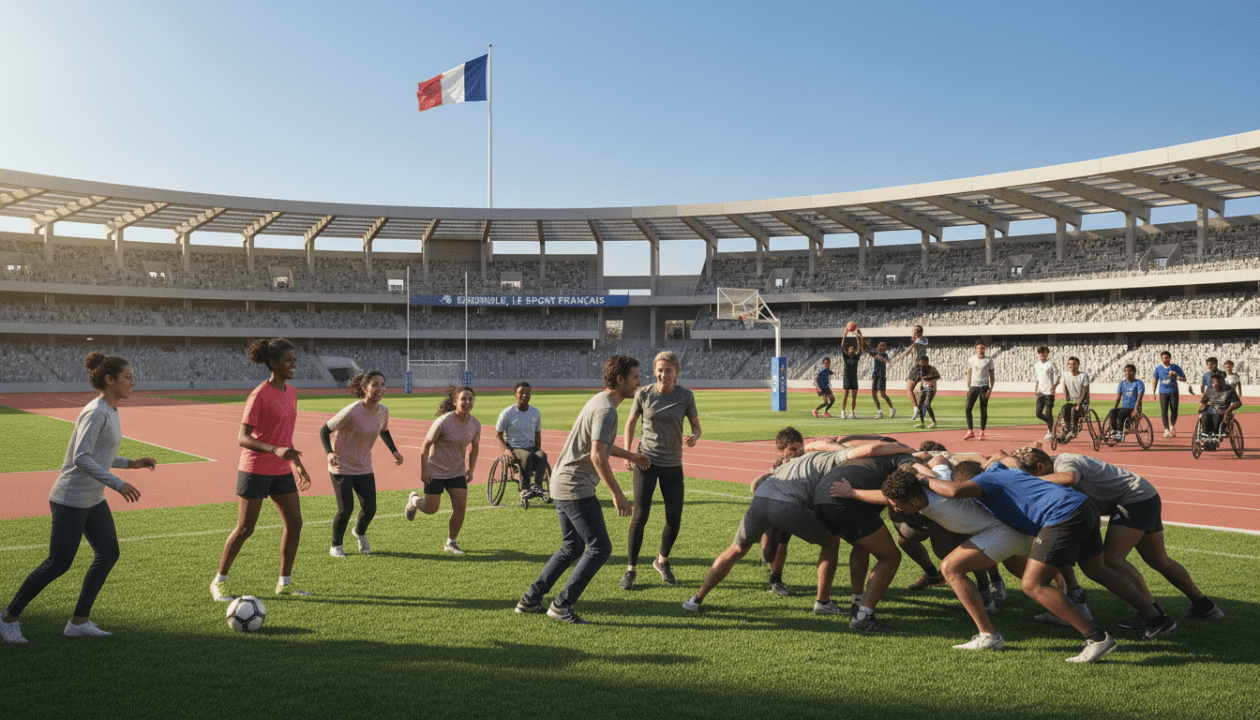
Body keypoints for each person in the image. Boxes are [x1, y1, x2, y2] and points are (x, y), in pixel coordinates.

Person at [931, 460, 1177, 663]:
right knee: (1096, 568)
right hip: (1083, 506)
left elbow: (953, 492)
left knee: (1032, 584)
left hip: (1061, 516)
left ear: (968, 481)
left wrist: (924, 478)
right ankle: (1157, 618)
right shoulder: (1001, 471)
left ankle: (1097, 639)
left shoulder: (984, 481)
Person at [1, 353, 155, 643]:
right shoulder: (96, 411)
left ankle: (79, 622)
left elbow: (99, 454)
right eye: (128, 377)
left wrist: (130, 463)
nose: (133, 382)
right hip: (70, 498)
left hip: (92, 499)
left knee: (108, 553)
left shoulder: (111, 410)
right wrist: (118, 483)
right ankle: (8, 618)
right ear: (110, 380)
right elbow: (81, 457)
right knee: (59, 562)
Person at [683, 439, 916, 627]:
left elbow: (759, 482)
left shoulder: (794, 461)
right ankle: (822, 601)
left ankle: (696, 599)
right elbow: (872, 449)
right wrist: (904, 449)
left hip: (761, 498)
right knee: (831, 541)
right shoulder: (832, 458)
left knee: (737, 549)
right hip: (785, 504)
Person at [1012, 446, 1224, 625]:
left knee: (1112, 560)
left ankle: (1152, 613)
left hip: (1134, 500)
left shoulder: (1066, 462)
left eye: (1033, 476)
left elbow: (1070, 478)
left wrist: (1029, 485)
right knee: (1158, 560)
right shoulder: (1054, 463)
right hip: (1143, 496)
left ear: (1041, 467)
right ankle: (1204, 606)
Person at [832, 466, 1033, 651]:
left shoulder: (940, 497)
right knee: (1033, 581)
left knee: (951, 568)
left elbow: (954, 490)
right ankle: (1062, 600)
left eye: (898, 507)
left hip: (1002, 530)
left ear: (912, 503)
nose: (898, 511)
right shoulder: (917, 493)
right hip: (1002, 530)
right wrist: (852, 493)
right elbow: (888, 497)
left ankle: (989, 636)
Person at [515, 355, 649, 624]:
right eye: (635, 377)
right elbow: (598, 455)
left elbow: (599, 446)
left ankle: (530, 600)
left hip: (562, 483)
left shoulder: (601, 401)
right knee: (600, 548)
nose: (639, 382)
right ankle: (561, 605)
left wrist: (631, 456)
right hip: (575, 486)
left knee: (572, 547)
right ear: (620, 379)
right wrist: (617, 493)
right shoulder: (607, 410)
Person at [211, 338, 313, 602]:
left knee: (295, 523)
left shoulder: (291, 392)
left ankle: (285, 583)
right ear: (273, 363)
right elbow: (242, 438)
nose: (293, 364)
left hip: (281, 470)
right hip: (255, 469)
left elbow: (284, 434)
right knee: (246, 529)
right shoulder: (259, 395)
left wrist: (296, 463)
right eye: (288, 360)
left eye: (294, 360)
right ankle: (219, 580)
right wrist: (274, 450)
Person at [620, 351, 701, 589]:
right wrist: (628, 453)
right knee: (640, 516)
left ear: (676, 371)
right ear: (654, 370)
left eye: (668, 370)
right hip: (646, 462)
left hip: (673, 464)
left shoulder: (685, 395)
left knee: (674, 518)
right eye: (660, 370)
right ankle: (630, 569)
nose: (664, 374)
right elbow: (631, 422)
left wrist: (695, 437)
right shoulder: (644, 393)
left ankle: (662, 560)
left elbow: (696, 427)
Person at [321, 370, 403, 558]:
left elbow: (384, 430)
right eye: (375, 384)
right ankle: (336, 545)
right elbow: (324, 430)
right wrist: (329, 453)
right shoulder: (352, 411)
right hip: (341, 464)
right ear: (365, 388)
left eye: (382, 384)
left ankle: (359, 532)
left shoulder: (383, 412)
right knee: (346, 508)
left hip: (364, 464)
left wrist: (394, 451)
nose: (380, 388)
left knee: (370, 508)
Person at [404, 385, 480, 555]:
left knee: (460, 508)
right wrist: (424, 471)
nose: (467, 402)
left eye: (470, 399)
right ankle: (414, 500)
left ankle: (451, 542)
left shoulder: (475, 424)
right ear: (455, 402)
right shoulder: (444, 421)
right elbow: (425, 446)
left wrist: (471, 469)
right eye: (463, 399)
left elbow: (475, 447)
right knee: (431, 509)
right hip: (436, 470)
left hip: (457, 471)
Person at [495, 381, 548, 501]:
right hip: (514, 446)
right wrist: (506, 450)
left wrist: (537, 451)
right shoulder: (507, 413)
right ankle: (525, 487)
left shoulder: (535, 412)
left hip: (530, 446)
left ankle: (538, 485)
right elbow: (498, 436)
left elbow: (537, 436)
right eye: (521, 393)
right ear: (515, 394)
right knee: (527, 456)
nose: (525, 395)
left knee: (542, 455)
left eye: (527, 393)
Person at [1152, 351, 1187, 438]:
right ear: (1161, 359)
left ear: (1170, 358)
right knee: (1164, 411)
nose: (1164, 360)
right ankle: (1166, 429)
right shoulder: (1158, 368)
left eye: (1166, 358)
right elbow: (1155, 380)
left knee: (1174, 409)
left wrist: (1176, 376)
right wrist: (1153, 392)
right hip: (1163, 392)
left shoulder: (1175, 367)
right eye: (1163, 358)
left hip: (1173, 391)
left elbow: (1184, 379)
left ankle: (1172, 425)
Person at [1197, 372, 1241, 442]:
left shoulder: (1230, 390)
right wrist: (1200, 408)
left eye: (1217, 382)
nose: (1215, 383)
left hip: (1224, 409)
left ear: (1222, 382)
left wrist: (1228, 411)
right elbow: (1203, 401)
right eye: (1214, 382)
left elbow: (1238, 403)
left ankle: (1216, 433)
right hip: (1211, 409)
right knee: (1204, 415)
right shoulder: (1209, 390)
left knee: (1217, 415)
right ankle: (1205, 435)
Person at [963, 343, 995, 440]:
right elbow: (970, 372)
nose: (980, 350)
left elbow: (992, 374)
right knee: (968, 408)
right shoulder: (971, 359)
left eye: (982, 348)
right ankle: (970, 431)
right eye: (978, 348)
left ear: (984, 349)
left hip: (984, 387)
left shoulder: (988, 360)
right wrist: (968, 386)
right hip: (973, 386)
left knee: (983, 409)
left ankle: (982, 432)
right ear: (976, 349)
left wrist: (991, 389)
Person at [898, 325, 929, 420]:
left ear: (919, 332)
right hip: (923, 367)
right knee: (918, 390)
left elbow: (910, 349)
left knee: (909, 388)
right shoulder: (922, 340)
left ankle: (916, 409)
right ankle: (922, 410)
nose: (913, 333)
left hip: (918, 366)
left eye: (915, 331)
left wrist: (904, 353)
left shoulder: (921, 340)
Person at [1105, 364, 1144, 439]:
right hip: (1125, 408)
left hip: (1134, 408)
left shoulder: (1139, 383)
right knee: (1112, 412)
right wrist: (1114, 408)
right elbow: (1118, 397)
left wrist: (1136, 409)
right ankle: (1114, 431)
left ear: (1134, 372)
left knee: (1122, 413)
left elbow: (1140, 397)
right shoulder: (1122, 383)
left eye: (1130, 371)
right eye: (1126, 371)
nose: (1127, 373)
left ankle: (1120, 433)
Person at [1033, 345, 1060, 441]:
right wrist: (1036, 388)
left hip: (1049, 392)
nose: (1043, 357)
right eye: (1041, 355)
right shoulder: (1037, 365)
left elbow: (1058, 376)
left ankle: (1049, 432)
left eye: (1045, 355)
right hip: (1040, 391)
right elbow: (1038, 378)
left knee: (1048, 412)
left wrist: (1054, 387)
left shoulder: (1051, 364)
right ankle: (1051, 423)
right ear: (1038, 355)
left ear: (1047, 354)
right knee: (1038, 413)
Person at [1060, 357, 1091, 439]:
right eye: (1069, 364)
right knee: (1064, 409)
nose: (1071, 366)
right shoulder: (1066, 375)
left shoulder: (1084, 376)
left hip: (1083, 402)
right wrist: (1067, 398)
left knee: (1075, 409)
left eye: (1073, 364)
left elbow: (1085, 390)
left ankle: (1073, 431)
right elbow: (1065, 388)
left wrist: (1079, 403)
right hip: (1072, 401)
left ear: (1078, 365)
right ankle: (1067, 428)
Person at [865, 337, 896, 419]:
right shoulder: (875, 353)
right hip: (875, 375)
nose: (880, 346)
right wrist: (860, 338)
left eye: (882, 345)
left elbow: (884, 360)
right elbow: (868, 348)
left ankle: (892, 408)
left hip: (881, 376)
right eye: (879, 345)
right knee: (874, 394)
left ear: (885, 348)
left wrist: (881, 358)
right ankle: (880, 412)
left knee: (882, 394)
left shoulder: (885, 355)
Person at [910, 355, 940, 428]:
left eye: (921, 362)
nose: (920, 363)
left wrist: (929, 378)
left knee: (927, 404)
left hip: (931, 388)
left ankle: (934, 422)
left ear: (926, 362)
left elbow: (938, 376)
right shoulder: (921, 369)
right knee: (920, 406)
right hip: (924, 388)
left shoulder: (932, 368)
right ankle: (922, 423)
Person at [840, 336, 862, 419]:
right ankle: (843, 411)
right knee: (845, 395)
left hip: (854, 378)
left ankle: (852, 412)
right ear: (848, 350)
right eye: (850, 348)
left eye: (853, 348)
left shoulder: (856, 357)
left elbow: (860, 349)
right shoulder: (846, 357)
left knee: (854, 396)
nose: (852, 349)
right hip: (846, 378)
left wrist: (858, 339)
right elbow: (842, 346)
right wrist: (845, 334)